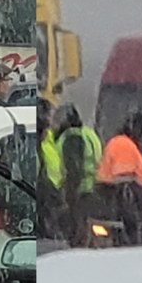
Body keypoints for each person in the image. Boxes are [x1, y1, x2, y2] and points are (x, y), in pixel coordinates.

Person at [95, 111, 142, 246]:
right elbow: (124, 181)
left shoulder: (121, 143)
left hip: (110, 203)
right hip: (117, 207)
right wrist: (138, 214)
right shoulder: (124, 145)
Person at [55, 104, 102, 246]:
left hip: (79, 192)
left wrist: (69, 197)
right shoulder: (87, 133)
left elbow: (74, 171)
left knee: (76, 235)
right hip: (91, 189)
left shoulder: (72, 137)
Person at [37, 99, 66, 240]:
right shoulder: (35, 147)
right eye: (49, 117)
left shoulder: (49, 140)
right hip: (45, 205)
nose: (52, 122)